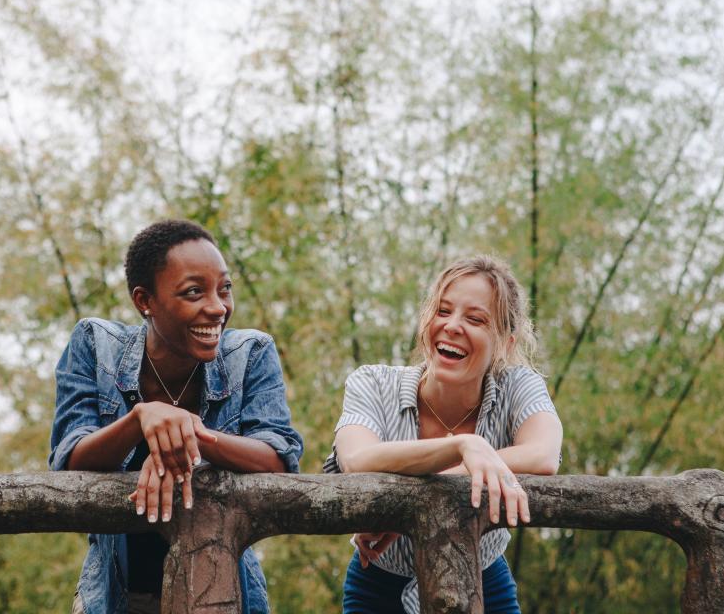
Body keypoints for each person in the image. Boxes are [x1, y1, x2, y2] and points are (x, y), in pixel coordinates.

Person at [50, 219, 303, 614]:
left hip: (225, 593)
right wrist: (141, 419)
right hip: (113, 596)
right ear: (144, 301)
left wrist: (189, 436)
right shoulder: (94, 344)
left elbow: (279, 457)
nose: (218, 308)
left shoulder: (251, 353)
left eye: (225, 289)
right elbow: (69, 459)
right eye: (193, 292)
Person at [325, 255, 563, 614]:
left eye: (475, 319)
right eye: (443, 311)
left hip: (486, 580)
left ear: (506, 344)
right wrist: (465, 446)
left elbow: (543, 455)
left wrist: (404, 509)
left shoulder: (519, 384)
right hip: (378, 582)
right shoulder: (371, 382)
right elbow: (357, 459)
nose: (452, 326)